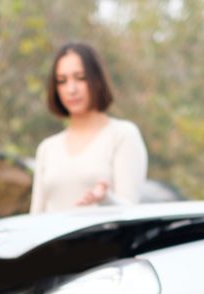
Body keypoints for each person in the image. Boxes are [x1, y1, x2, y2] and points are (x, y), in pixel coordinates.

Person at [29, 42, 148, 214]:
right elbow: (36, 218)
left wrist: (105, 199)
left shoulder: (122, 135)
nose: (71, 89)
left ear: (97, 80)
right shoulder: (47, 148)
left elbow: (131, 213)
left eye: (80, 78)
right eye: (62, 81)